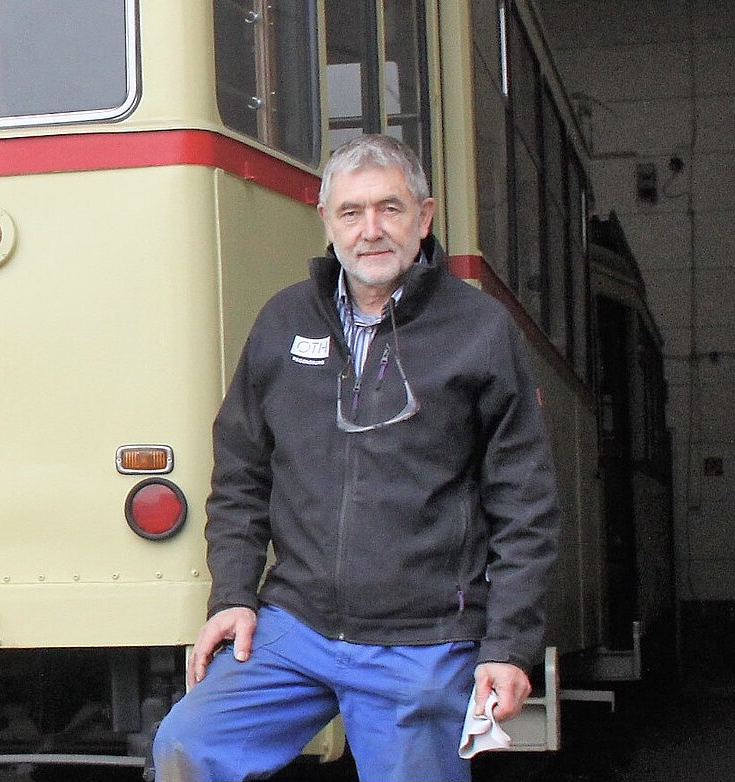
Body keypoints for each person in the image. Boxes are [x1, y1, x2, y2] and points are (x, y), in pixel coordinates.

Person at [151, 135, 559, 781]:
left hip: (422, 639)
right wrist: (232, 594)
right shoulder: (283, 321)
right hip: (297, 627)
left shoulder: (480, 331)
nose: (370, 230)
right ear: (326, 221)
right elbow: (241, 474)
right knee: (187, 746)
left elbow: (525, 505)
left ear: (423, 218)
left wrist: (508, 646)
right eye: (351, 212)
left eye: (389, 209)